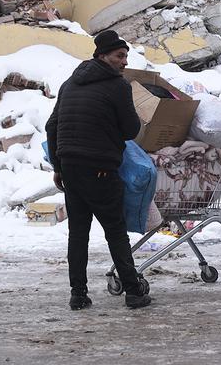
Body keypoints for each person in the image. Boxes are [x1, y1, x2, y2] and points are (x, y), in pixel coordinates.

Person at [45, 30, 152, 310]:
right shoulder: (117, 86)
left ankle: (78, 294)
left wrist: (58, 166)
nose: (124, 62)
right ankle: (133, 290)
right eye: (119, 56)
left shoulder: (70, 84)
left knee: (78, 233)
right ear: (103, 56)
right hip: (100, 169)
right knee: (115, 231)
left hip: (70, 168)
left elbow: (51, 126)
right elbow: (130, 129)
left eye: (126, 56)